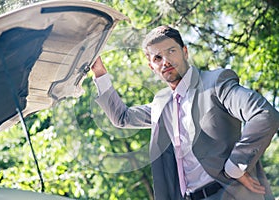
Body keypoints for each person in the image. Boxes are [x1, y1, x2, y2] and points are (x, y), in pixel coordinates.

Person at [90, 25, 279, 200]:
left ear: (185, 52)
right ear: (151, 67)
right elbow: (122, 118)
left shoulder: (216, 83)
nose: (166, 62)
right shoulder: (161, 104)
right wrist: (99, 73)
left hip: (227, 194)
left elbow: (263, 114)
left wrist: (235, 166)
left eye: (171, 51)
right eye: (157, 58)